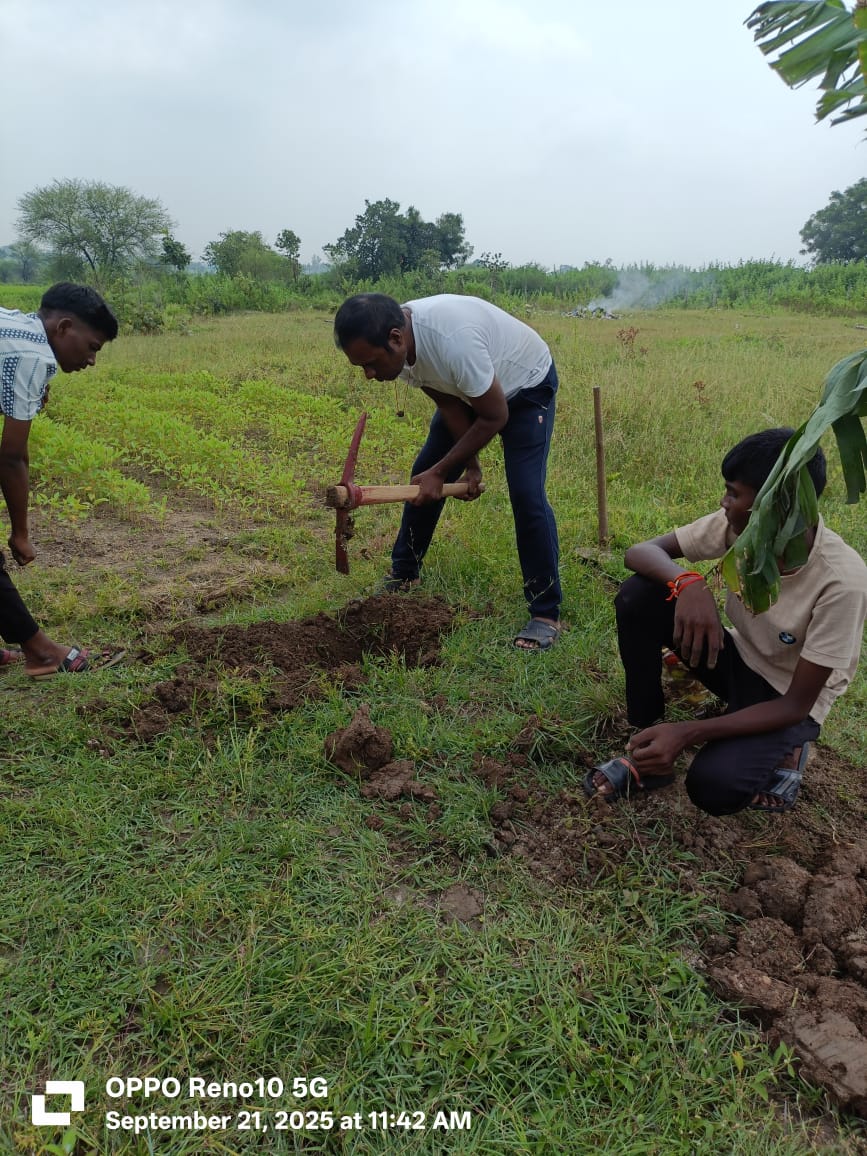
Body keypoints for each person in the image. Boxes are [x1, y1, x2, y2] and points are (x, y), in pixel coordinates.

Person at [585, 428, 867, 814]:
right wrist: (689, 583)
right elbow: (641, 552)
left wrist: (687, 733)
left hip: (786, 698)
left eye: (734, 493)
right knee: (639, 595)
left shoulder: (842, 581)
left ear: (777, 504)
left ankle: (791, 748)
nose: (724, 502)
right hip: (738, 657)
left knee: (715, 786)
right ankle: (647, 740)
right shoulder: (743, 528)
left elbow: (795, 706)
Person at [334, 292, 562, 650]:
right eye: (360, 366)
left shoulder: (453, 341)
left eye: (372, 363)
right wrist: (468, 467)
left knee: (526, 493)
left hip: (525, 385)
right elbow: (448, 402)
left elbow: (495, 416)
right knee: (423, 472)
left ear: (396, 338)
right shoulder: (401, 345)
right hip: (471, 389)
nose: (368, 375)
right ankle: (404, 574)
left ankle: (546, 614)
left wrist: (442, 473)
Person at [0, 282, 118, 676]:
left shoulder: (18, 328)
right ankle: (42, 652)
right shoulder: (31, 355)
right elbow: (12, 457)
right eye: (92, 347)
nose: (92, 360)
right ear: (64, 328)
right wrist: (20, 532)